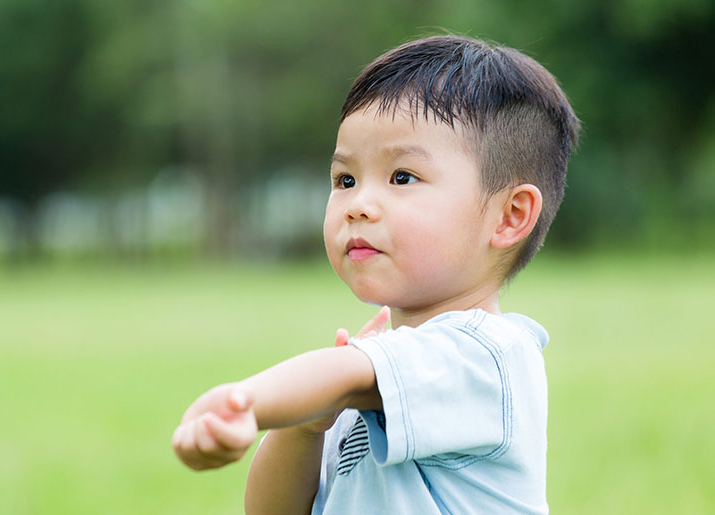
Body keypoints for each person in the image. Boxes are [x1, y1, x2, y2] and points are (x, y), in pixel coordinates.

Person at [171, 35, 579, 514]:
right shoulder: (368, 375)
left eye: (402, 177)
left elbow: (341, 376)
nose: (358, 205)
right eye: (345, 180)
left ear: (509, 216)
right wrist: (305, 425)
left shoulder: (487, 357)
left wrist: (245, 401)